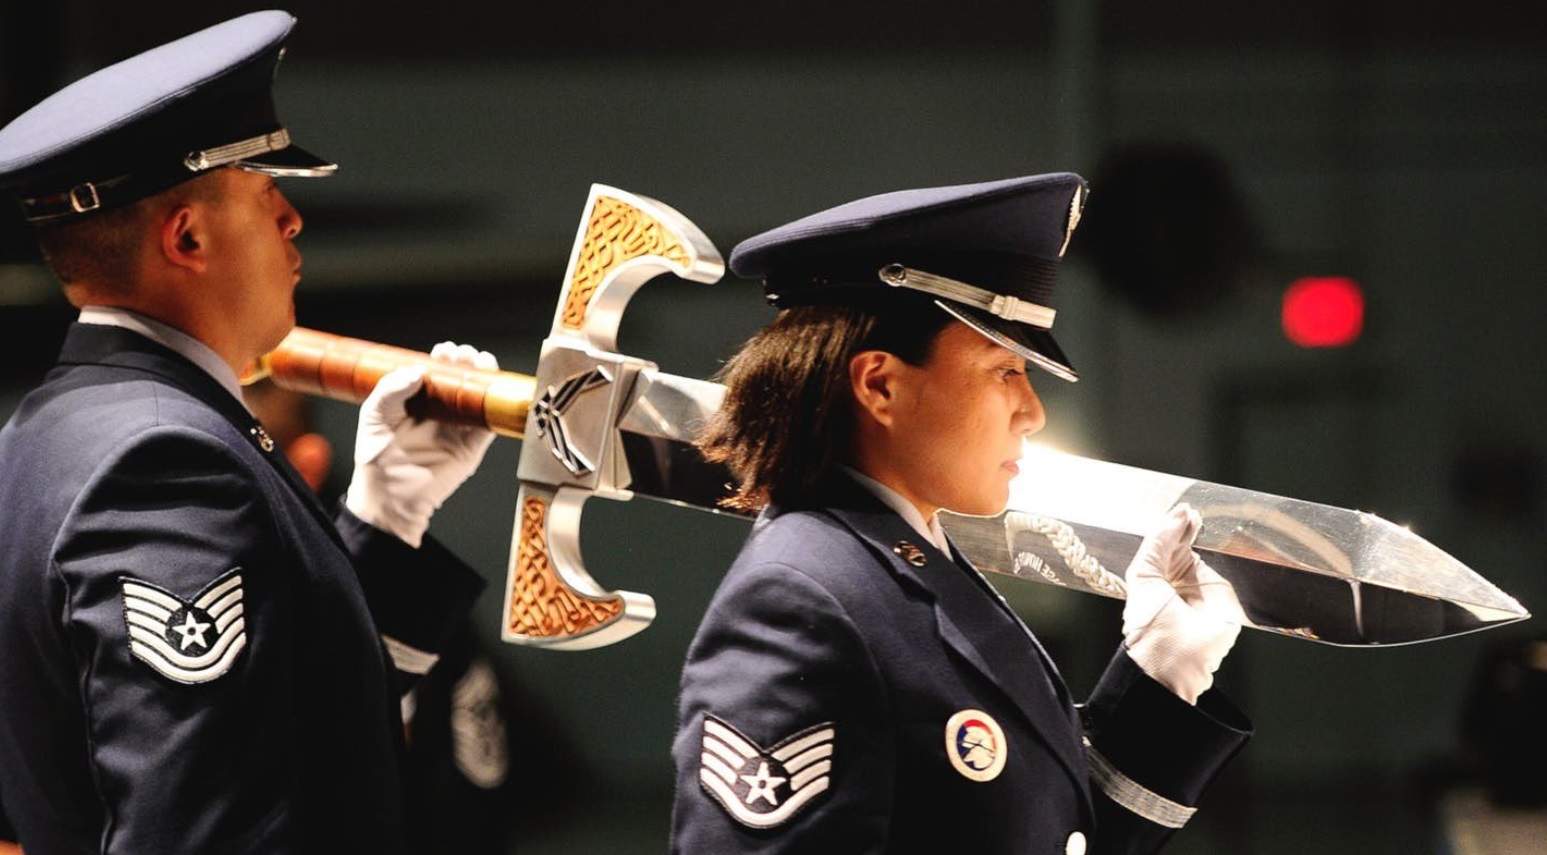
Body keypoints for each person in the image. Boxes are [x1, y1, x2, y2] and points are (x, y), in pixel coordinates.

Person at [0, 11, 500, 852]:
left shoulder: (45, 432)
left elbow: (281, 718)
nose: (293, 222)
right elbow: (201, 826)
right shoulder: (165, 460)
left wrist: (384, 518)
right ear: (188, 235)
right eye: (269, 193)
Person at [669, 173, 1253, 854]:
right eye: (1004, 369)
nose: (1031, 412)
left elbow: (1051, 834)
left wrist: (1159, 673)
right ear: (880, 384)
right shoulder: (802, 599)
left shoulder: (903, 567)